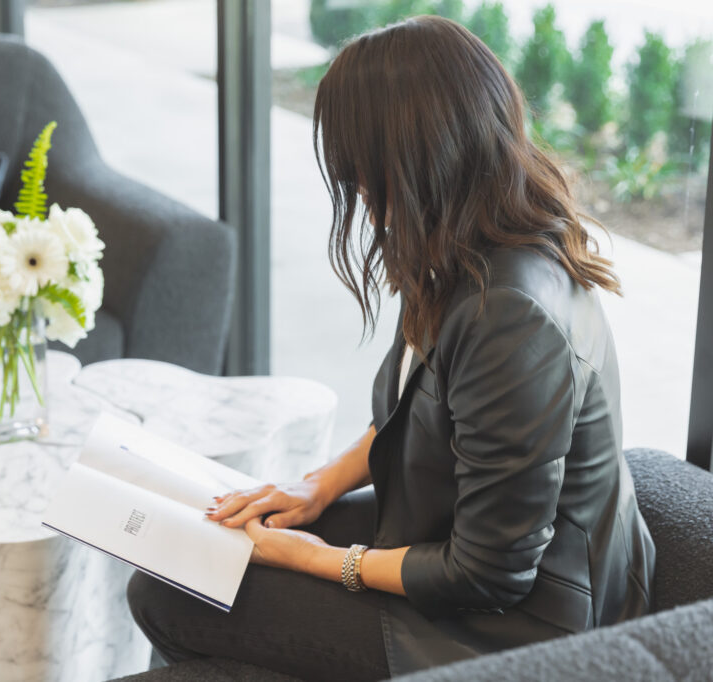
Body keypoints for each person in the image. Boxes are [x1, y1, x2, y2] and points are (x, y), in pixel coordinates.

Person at [127, 14, 655, 680]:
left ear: (416, 157)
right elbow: (420, 412)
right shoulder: (464, 245)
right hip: (447, 539)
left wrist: (308, 558)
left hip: (516, 630)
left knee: (175, 600)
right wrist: (315, 486)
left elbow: (488, 573)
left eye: (364, 171)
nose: (361, 195)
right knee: (181, 569)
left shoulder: (512, 316)